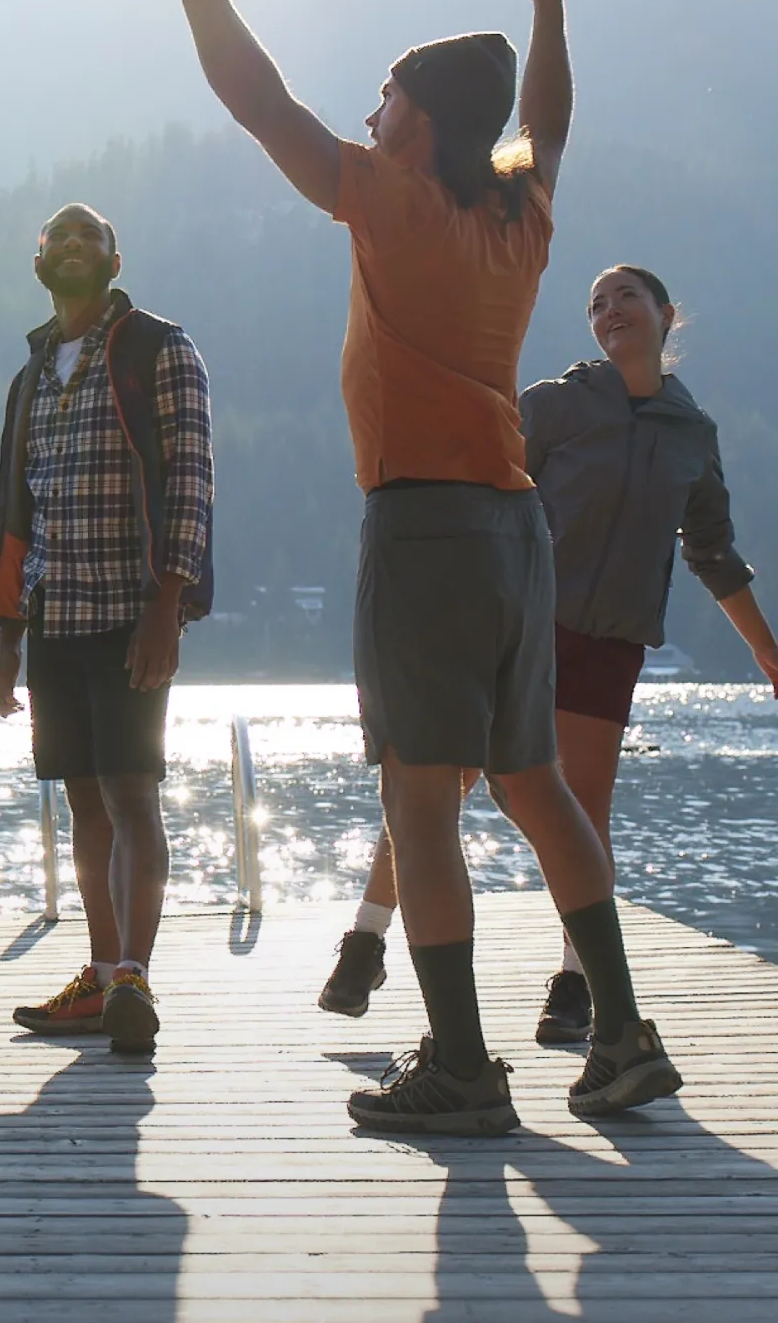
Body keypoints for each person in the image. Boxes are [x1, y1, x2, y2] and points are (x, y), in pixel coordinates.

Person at [147, 0, 682, 1133]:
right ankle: (623, 1034)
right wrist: (548, 5)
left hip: (425, 532)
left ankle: (458, 1067)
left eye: (383, 96)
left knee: (418, 805)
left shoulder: (390, 199)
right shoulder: (519, 220)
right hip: (515, 533)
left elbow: (251, 93)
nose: (366, 112)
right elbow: (542, 122)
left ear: (417, 123)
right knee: (536, 787)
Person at [320, 264, 778, 1043]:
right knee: (443, 779)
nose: (609, 311)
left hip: (612, 639)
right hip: (521, 615)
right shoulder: (561, 403)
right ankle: (367, 938)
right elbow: (476, 472)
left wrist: (769, 655)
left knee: (583, 807)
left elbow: (713, 553)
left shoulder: (690, 433)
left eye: (625, 298)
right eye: (597, 303)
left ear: (667, 315)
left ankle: (574, 983)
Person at [0, 203, 213, 1053]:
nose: (73, 243)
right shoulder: (34, 370)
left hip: (130, 612)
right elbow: (17, 505)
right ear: (39, 263)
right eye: (57, 237)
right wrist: (8, 639)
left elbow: (190, 477)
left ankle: (134, 981)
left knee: (130, 791)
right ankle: (102, 970)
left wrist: (170, 605)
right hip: (54, 617)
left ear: (116, 260)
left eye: (90, 235)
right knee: (84, 800)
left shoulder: (159, 347)